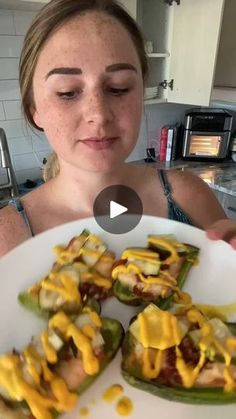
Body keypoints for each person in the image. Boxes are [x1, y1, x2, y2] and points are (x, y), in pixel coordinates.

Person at [0, 0, 235, 257]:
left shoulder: (190, 196)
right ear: (34, 109)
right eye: (67, 92)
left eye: (119, 88)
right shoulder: (6, 237)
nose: (98, 114)